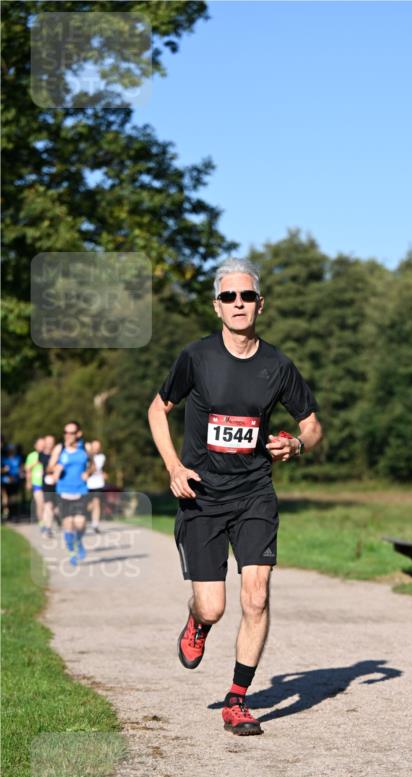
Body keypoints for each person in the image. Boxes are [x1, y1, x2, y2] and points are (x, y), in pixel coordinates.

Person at [148, 257, 323, 737]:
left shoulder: (277, 365)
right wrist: (173, 466)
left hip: (254, 495)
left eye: (247, 296)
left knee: (257, 596)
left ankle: (237, 700)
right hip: (202, 496)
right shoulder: (196, 358)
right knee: (214, 606)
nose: (239, 303)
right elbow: (157, 409)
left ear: (260, 305)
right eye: (229, 296)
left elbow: (312, 424)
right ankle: (196, 623)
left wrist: (297, 444)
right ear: (217, 306)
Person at [48, 421, 92, 565]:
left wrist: (88, 472)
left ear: (79, 434)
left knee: (80, 523)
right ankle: (71, 551)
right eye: (65, 432)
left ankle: (78, 541)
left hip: (81, 490)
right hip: (63, 491)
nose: (67, 435)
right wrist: (56, 470)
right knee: (68, 523)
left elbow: (93, 465)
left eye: (71, 433)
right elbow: (49, 468)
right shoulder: (59, 449)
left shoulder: (86, 447)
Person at [86, 439, 107, 532]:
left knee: (97, 503)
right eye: (94, 446)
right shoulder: (83, 456)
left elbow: (94, 469)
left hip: (97, 483)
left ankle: (95, 524)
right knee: (88, 505)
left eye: (97, 447)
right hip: (86, 484)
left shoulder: (101, 457)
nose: (95, 448)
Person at [25, 436, 46, 526]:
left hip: (46, 483)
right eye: (40, 445)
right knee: (40, 502)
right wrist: (28, 482)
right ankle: (41, 522)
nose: (42, 446)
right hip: (36, 482)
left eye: (43, 444)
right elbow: (27, 469)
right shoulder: (32, 456)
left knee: (47, 504)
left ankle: (47, 521)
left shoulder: (48, 455)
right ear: (35, 445)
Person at [1, 444, 23, 521]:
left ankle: (14, 514)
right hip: (5, 481)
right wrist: (4, 470)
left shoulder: (18, 458)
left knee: (14, 498)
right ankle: (6, 513)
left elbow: (20, 468)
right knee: (5, 497)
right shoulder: (4, 459)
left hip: (15, 480)